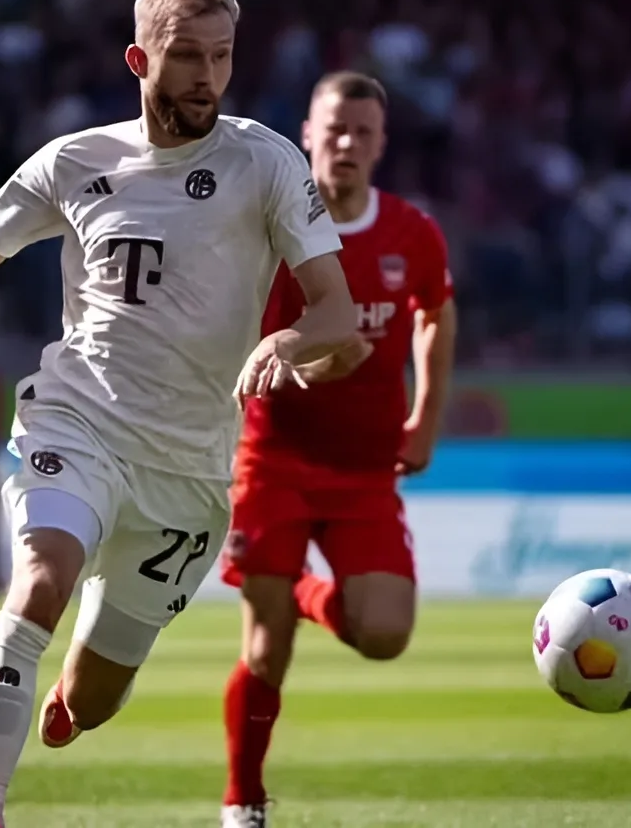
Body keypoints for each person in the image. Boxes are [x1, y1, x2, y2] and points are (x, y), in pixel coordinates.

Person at [0, 0, 359, 828]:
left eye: (222, 56)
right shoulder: (76, 162)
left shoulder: (266, 160)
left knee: (92, 702)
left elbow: (337, 308)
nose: (208, 76)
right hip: (79, 420)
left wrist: (288, 339)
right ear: (141, 59)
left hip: (191, 471)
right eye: (186, 57)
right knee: (38, 585)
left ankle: (67, 695)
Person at [218, 72, 458, 828]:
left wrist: (425, 416)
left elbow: (435, 317)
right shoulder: (274, 235)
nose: (348, 143)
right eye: (335, 128)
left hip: (364, 471)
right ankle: (243, 801)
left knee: (385, 634)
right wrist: (320, 364)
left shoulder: (413, 233)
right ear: (308, 135)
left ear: (382, 144)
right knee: (266, 654)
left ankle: (291, 589)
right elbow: (241, 363)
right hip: (274, 460)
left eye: (364, 131)